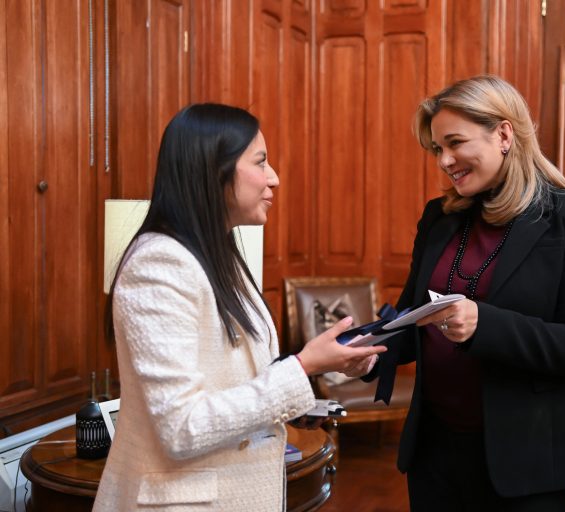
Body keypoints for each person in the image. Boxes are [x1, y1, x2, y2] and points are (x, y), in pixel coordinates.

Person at [93, 103, 385, 511]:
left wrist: (324, 363)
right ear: (214, 169)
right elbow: (181, 427)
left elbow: (235, 376)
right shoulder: (158, 264)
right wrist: (302, 368)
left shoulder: (219, 253)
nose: (274, 178)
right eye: (261, 162)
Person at [367, 75, 565, 511]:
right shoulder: (439, 217)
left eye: (454, 143)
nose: (444, 160)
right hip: (435, 453)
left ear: (503, 134)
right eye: (437, 149)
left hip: (527, 462)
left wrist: (486, 324)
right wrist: (367, 350)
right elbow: (412, 316)